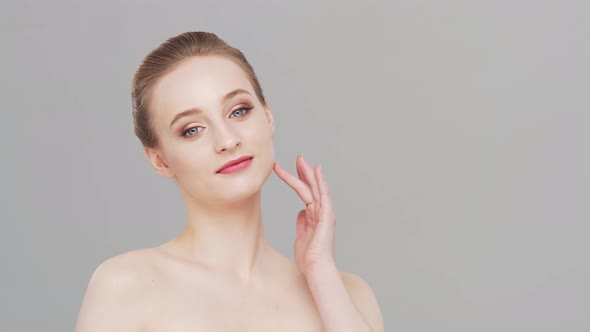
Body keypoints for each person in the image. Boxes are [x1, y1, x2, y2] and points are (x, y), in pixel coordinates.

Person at [75, 31, 384, 332]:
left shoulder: (348, 294)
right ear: (160, 160)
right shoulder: (126, 287)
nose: (227, 140)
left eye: (239, 111)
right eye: (192, 129)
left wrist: (321, 273)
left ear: (268, 116)